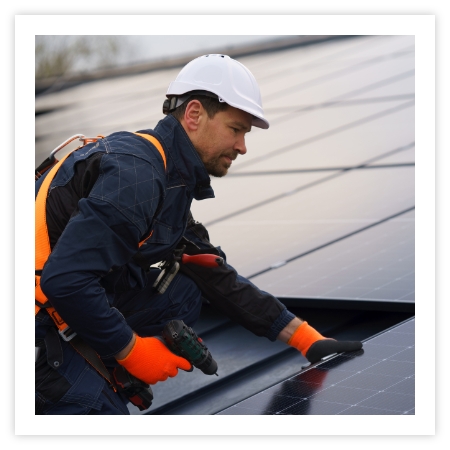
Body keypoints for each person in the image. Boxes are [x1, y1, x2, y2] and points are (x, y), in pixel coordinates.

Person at [35, 54, 362, 415]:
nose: (242, 146)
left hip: (59, 313)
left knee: (186, 290)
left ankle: (100, 363)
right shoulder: (136, 177)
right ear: (194, 115)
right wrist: (132, 350)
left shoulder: (165, 180)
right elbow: (64, 280)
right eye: (236, 129)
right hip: (33, 334)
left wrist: (305, 339)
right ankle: (83, 376)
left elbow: (214, 274)